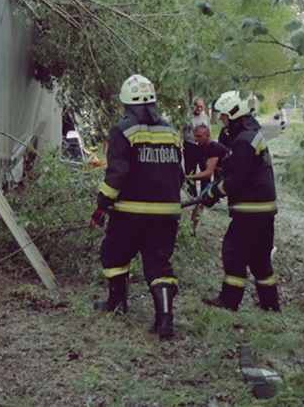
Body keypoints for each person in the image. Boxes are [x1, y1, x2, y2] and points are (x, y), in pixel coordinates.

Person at [90, 74, 185, 340]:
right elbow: (179, 173)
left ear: (127, 104)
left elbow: (117, 174)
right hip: (167, 214)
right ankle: (165, 319)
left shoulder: (123, 130)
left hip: (129, 213)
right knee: (159, 264)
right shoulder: (170, 132)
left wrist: (101, 206)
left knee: (114, 255)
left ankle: (117, 303)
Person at [199, 90, 280, 312]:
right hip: (264, 209)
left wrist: (212, 192)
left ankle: (229, 301)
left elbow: (236, 180)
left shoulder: (244, 141)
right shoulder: (252, 135)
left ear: (233, 116)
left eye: (223, 117)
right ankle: (270, 304)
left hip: (250, 210)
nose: (222, 121)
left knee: (233, 252)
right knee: (260, 259)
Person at [184, 124, 227, 235]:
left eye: (199, 136)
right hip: (220, 179)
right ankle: (191, 231)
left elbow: (208, 173)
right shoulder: (200, 148)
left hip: (230, 179)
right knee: (201, 201)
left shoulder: (215, 148)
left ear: (208, 135)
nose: (196, 139)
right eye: (195, 136)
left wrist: (188, 177)